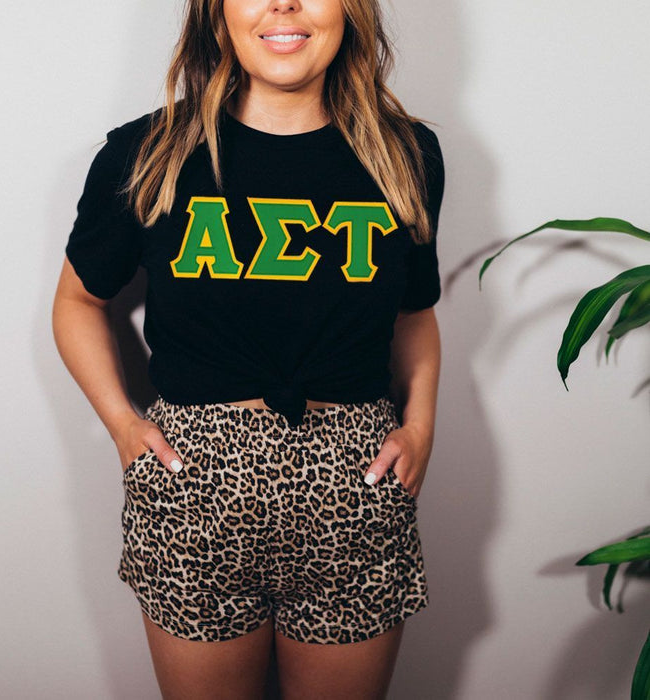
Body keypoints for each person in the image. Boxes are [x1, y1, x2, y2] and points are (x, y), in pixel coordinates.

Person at [52, 0, 445, 697]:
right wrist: (121, 426)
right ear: (217, 12)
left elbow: (414, 313)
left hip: (354, 492)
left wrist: (419, 426)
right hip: (194, 492)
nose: (283, 4)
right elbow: (78, 302)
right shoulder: (148, 152)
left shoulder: (405, 154)